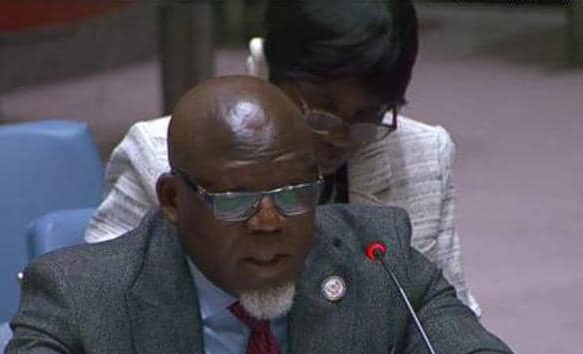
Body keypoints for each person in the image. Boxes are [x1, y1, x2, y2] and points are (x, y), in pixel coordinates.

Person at [0, 76, 532, 354]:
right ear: (173, 200)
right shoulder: (81, 288)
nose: (269, 221)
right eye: (236, 200)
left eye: (294, 193)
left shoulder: (374, 256)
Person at [85, 0, 481, 316]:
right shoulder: (160, 157)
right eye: (321, 109)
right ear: (264, 70)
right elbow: (97, 316)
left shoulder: (423, 157)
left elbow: (449, 320)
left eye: (367, 116)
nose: (339, 137)